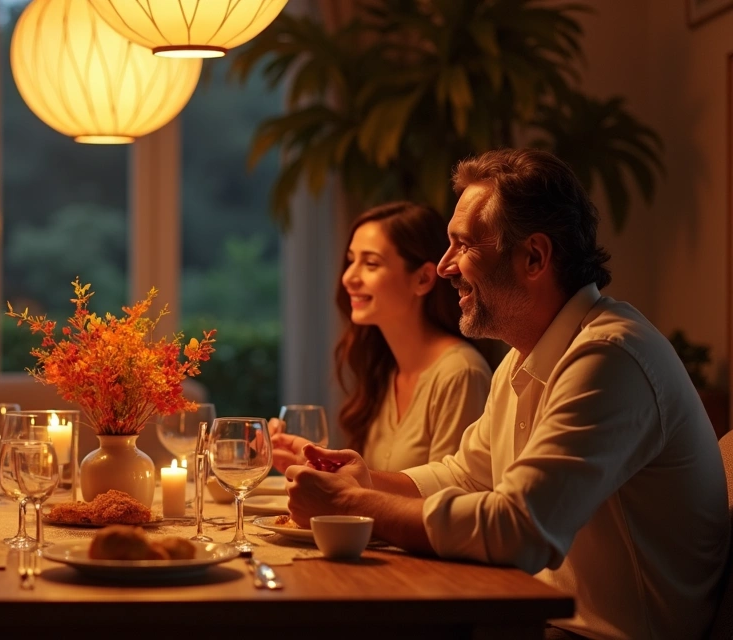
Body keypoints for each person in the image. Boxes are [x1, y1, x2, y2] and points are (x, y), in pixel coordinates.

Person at [284, 148, 729, 638]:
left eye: (463, 245)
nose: (445, 266)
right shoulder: (526, 356)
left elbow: (519, 530)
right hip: (539, 621)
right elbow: (466, 475)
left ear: (534, 257)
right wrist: (366, 482)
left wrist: (353, 505)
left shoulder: (610, 357)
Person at [271, 202, 491, 473]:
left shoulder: (460, 373)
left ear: (423, 279)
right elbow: (369, 483)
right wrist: (313, 463)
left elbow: (452, 493)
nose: (348, 277)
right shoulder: (386, 368)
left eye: (371, 263)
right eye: (351, 260)